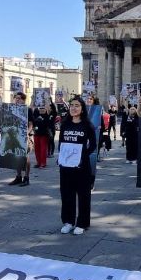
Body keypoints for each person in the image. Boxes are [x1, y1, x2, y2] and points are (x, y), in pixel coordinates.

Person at [58, 96, 97, 235]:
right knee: (67, 194)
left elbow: (93, 145)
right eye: (72, 105)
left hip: (82, 167)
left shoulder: (87, 125)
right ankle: (68, 221)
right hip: (66, 166)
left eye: (77, 105)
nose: (73, 108)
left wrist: (81, 155)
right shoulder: (65, 124)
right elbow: (61, 144)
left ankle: (82, 223)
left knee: (83, 195)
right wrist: (61, 157)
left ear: (82, 109)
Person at [7, 92, 32, 187]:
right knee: (16, 156)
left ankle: (26, 178)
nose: (17, 100)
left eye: (19, 98)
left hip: (25, 135)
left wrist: (27, 133)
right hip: (14, 135)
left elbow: (31, 124)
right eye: (16, 98)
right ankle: (18, 177)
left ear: (23, 100)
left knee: (25, 157)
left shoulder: (28, 110)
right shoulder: (12, 109)